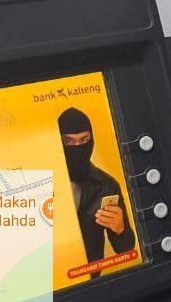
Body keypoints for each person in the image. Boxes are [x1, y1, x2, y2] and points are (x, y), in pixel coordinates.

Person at [57, 107, 135, 270]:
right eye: (69, 141)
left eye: (84, 139)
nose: (78, 147)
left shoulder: (107, 185)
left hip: (91, 276)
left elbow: (126, 249)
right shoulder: (43, 181)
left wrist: (120, 228)